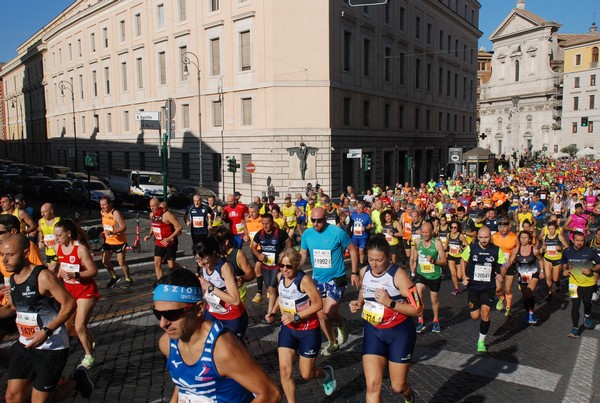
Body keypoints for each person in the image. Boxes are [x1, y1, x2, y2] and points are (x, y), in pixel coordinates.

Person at [154, 269, 281, 402]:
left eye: (172, 314)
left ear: (198, 309)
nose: (163, 323)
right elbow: (183, 383)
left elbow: (271, 393)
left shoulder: (222, 350)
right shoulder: (166, 343)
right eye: (158, 314)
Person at [0, 234, 93, 402]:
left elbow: (69, 304)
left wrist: (46, 331)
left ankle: (77, 381)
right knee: (12, 397)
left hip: (51, 347)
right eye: (2, 255)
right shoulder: (13, 278)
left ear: (26, 253)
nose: (4, 260)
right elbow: (12, 307)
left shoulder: (42, 276)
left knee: (42, 400)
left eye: (10, 255)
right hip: (25, 344)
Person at [349, 235, 422, 403]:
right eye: (370, 259)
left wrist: (390, 302)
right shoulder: (364, 271)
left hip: (399, 334)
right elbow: (364, 291)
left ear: (388, 257)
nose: (374, 264)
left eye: (379, 260)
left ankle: (409, 396)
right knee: (373, 386)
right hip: (373, 332)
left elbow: (418, 310)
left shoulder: (399, 276)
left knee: (398, 386)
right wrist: (359, 303)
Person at [265, 248, 336, 400]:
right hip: (288, 329)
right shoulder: (280, 277)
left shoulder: (304, 281)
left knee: (306, 374)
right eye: (282, 265)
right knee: (285, 371)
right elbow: (282, 296)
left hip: (308, 330)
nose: (284, 269)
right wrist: (273, 311)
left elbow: (318, 304)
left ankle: (325, 373)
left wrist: (296, 317)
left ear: (296, 265)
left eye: (288, 266)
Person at [299, 207, 359, 356]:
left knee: (328, 311)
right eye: (313, 220)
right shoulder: (307, 234)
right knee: (320, 314)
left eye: (319, 220)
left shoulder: (337, 232)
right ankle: (333, 342)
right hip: (318, 279)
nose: (316, 223)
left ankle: (341, 323)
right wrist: (293, 269)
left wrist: (354, 272)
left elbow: (352, 249)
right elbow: (302, 254)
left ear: (325, 219)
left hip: (336, 277)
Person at [55, 219, 100, 369]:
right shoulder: (58, 248)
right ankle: (88, 339)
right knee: (68, 328)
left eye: (59, 236)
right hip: (69, 292)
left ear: (68, 233)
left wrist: (76, 274)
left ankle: (89, 355)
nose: (56, 239)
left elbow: (93, 271)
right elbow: (62, 266)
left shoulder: (80, 249)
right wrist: (56, 281)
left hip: (85, 291)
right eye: (55, 236)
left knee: (80, 326)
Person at [461, 227, 506, 352]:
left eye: (486, 237)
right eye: (481, 237)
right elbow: (462, 260)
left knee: (485, 313)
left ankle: (481, 341)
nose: (484, 240)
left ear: (490, 237)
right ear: (478, 237)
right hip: (474, 286)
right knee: (475, 316)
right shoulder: (472, 248)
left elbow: (503, 264)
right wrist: (464, 277)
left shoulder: (496, 250)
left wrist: (500, 274)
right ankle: (478, 305)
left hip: (488, 286)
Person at [194, 235, 248, 338]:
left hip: (232, 316)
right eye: (197, 259)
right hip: (213, 312)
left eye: (204, 259)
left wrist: (209, 287)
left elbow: (235, 300)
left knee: (233, 351)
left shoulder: (224, 267)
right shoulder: (204, 264)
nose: (201, 263)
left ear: (213, 253)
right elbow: (208, 288)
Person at [252, 213, 291, 323]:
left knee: (272, 288)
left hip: (277, 266)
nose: (265, 226)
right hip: (266, 265)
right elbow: (253, 247)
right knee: (269, 289)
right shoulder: (260, 234)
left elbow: (289, 243)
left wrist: (284, 256)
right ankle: (277, 308)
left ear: (272, 223)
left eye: (267, 224)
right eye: (263, 224)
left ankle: (270, 314)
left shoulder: (280, 233)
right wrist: (258, 255)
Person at [410, 222, 447, 333]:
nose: (425, 234)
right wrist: (413, 263)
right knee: (418, 294)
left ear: (432, 232)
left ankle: (436, 320)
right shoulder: (417, 241)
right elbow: (415, 252)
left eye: (427, 232)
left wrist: (434, 260)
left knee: (434, 299)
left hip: (434, 275)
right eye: (423, 232)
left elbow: (444, 261)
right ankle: (420, 320)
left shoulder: (437, 243)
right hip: (421, 273)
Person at [563, 232, 600, 338]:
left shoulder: (590, 251)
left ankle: (587, 315)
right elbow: (563, 261)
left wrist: (591, 270)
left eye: (582, 240)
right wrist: (564, 270)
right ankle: (575, 329)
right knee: (575, 305)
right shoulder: (567, 251)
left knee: (587, 303)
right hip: (573, 283)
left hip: (588, 283)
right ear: (573, 240)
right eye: (577, 240)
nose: (580, 243)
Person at [210, 227, 255, 305]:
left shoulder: (238, 254)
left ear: (226, 242)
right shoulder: (212, 255)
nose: (213, 244)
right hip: (217, 298)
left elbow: (251, 274)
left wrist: (242, 278)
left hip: (236, 299)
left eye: (216, 241)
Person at [144, 197, 183, 279]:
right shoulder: (152, 215)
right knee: (157, 263)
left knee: (171, 265)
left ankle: (182, 271)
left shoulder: (166, 215)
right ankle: (160, 283)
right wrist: (149, 235)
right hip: (159, 243)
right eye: (150, 206)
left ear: (158, 205)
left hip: (169, 243)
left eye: (154, 206)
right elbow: (153, 225)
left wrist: (169, 238)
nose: (152, 208)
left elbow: (179, 227)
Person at [100, 197, 133, 289]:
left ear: (110, 204)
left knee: (121, 262)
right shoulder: (102, 213)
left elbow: (123, 226)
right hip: (108, 242)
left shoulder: (115, 213)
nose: (102, 207)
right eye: (101, 205)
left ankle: (128, 279)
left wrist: (112, 232)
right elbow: (106, 226)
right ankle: (114, 277)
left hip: (119, 242)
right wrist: (104, 232)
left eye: (104, 205)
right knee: (105, 261)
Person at [511, 230, 543, 324]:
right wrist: (508, 263)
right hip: (523, 274)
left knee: (529, 293)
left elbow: (541, 260)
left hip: (533, 274)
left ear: (529, 239)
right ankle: (527, 312)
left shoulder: (534, 250)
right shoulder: (516, 249)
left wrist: (542, 271)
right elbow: (511, 260)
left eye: (525, 238)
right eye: (521, 238)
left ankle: (531, 314)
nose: (523, 239)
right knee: (525, 296)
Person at [492, 217, 518, 316]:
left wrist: (512, 260)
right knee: (497, 288)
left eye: (504, 226)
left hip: (509, 265)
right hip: (498, 265)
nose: (502, 228)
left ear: (509, 226)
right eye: (500, 226)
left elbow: (516, 251)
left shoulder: (514, 237)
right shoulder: (494, 237)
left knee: (508, 288)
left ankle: (508, 307)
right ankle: (501, 297)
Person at [541, 221, 569, 299]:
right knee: (548, 276)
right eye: (549, 229)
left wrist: (560, 248)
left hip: (557, 259)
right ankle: (549, 292)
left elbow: (567, 247)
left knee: (555, 278)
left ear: (556, 229)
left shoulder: (559, 237)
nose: (551, 231)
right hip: (547, 258)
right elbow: (543, 247)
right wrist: (542, 249)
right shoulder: (545, 237)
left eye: (553, 229)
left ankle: (558, 283)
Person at [37, 203, 60, 273]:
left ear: (51, 211)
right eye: (41, 212)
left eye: (45, 212)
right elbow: (40, 232)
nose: (42, 214)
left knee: (50, 271)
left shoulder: (58, 221)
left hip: (58, 250)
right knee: (56, 272)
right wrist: (41, 240)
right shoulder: (41, 221)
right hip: (48, 251)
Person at [446, 220, 468, 295]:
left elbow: (467, 246)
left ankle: (465, 277)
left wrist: (461, 248)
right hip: (451, 256)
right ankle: (456, 289)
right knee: (453, 273)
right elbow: (446, 245)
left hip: (459, 257)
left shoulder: (461, 236)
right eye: (452, 227)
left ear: (458, 228)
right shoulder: (448, 235)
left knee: (459, 276)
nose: (453, 229)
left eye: (455, 227)